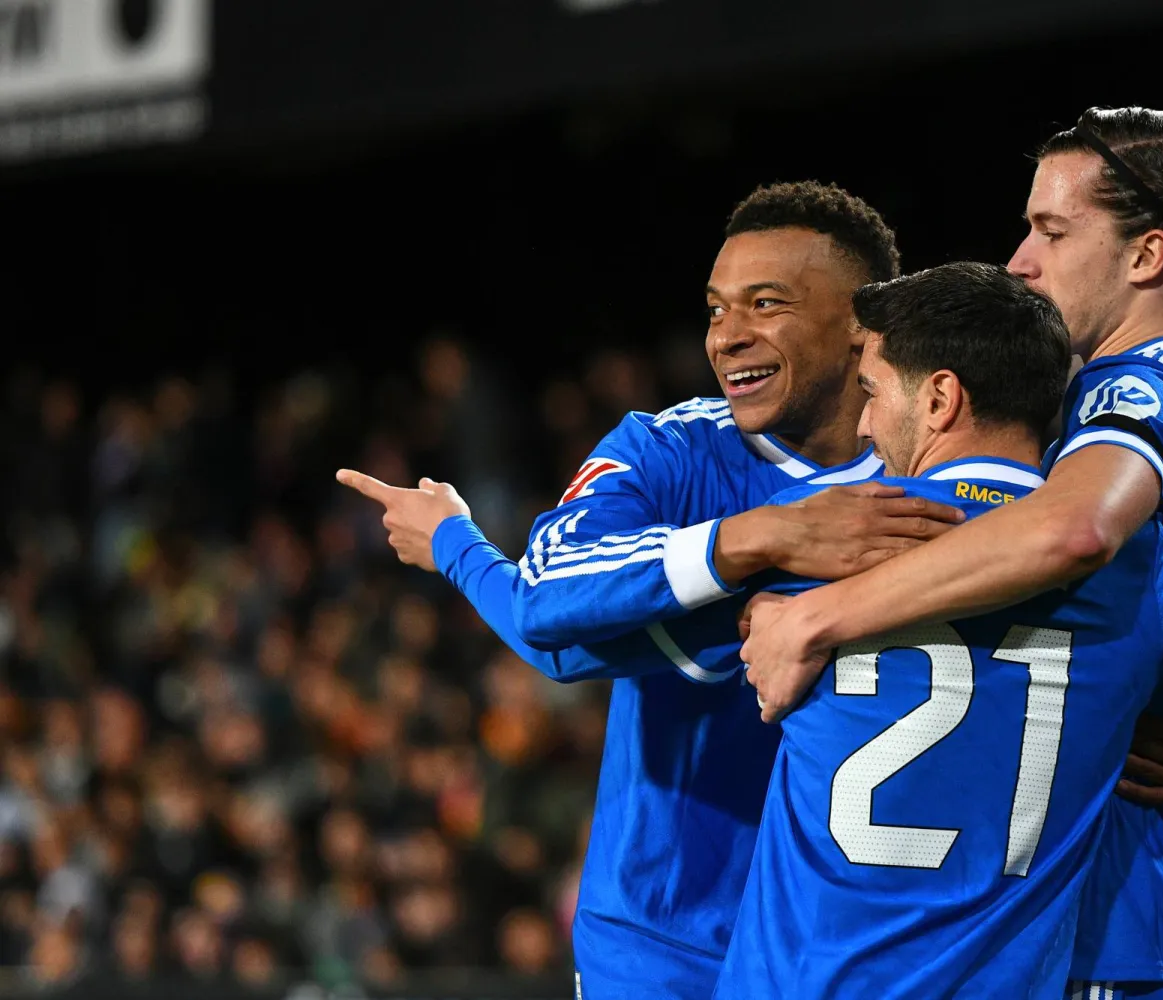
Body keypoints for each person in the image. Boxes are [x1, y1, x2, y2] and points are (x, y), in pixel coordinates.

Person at [739, 109, 1163, 999]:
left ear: (1147, 256)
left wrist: (818, 614)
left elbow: (1072, 531)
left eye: (1051, 230)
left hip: (1067, 916)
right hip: (1153, 919)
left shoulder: (1130, 395)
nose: (1021, 260)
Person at [338, 181, 968, 999]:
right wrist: (761, 535)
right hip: (664, 943)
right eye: (715, 310)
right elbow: (550, 598)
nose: (727, 336)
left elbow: (559, 646)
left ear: (861, 321)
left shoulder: (941, 466)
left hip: (866, 940)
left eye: (765, 303)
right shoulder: (666, 450)